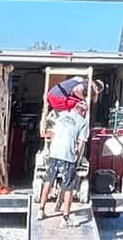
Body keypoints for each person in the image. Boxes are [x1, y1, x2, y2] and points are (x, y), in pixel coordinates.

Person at [38, 84, 91, 227]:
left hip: (54, 153)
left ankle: (41, 210)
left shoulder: (61, 116)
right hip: (68, 157)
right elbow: (81, 143)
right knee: (68, 188)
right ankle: (65, 218)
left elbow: (52, 133)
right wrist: (77, 159)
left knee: (48, 181)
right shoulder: (83, 123)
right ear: (83, 111)